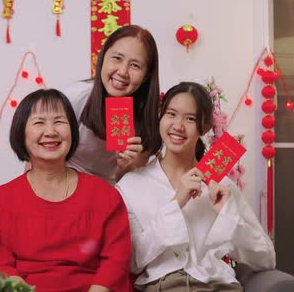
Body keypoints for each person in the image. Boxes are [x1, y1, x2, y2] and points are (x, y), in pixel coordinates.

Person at [116, 82, 276, 291]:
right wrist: (177, 203)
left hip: (221, 285)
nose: (178, 126)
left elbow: (266, 259)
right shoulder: (132, 185)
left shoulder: (222, 187)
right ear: (160, 117)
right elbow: (132, 261)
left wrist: (228, 216)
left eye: (190, 118)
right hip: (166, 286)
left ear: (205, 127)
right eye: (171, 114)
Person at [0, 89, 131, 292]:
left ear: (72, 131)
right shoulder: (2, 198)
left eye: (59, 121)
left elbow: (115, 262)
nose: (50, 131)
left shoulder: (104, 195)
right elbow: (2, 264)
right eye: (39, 122)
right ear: (21, 132)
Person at [59, 24, 162, 185]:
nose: (122, 71)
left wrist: (125, 166)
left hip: (107, 193)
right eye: (117, 58)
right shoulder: (74, 97)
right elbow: (38, 158)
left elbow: (129, 186)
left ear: (146, 75)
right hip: (63, 184)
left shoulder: (147, 119)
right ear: (103, 58)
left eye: (135, 65)